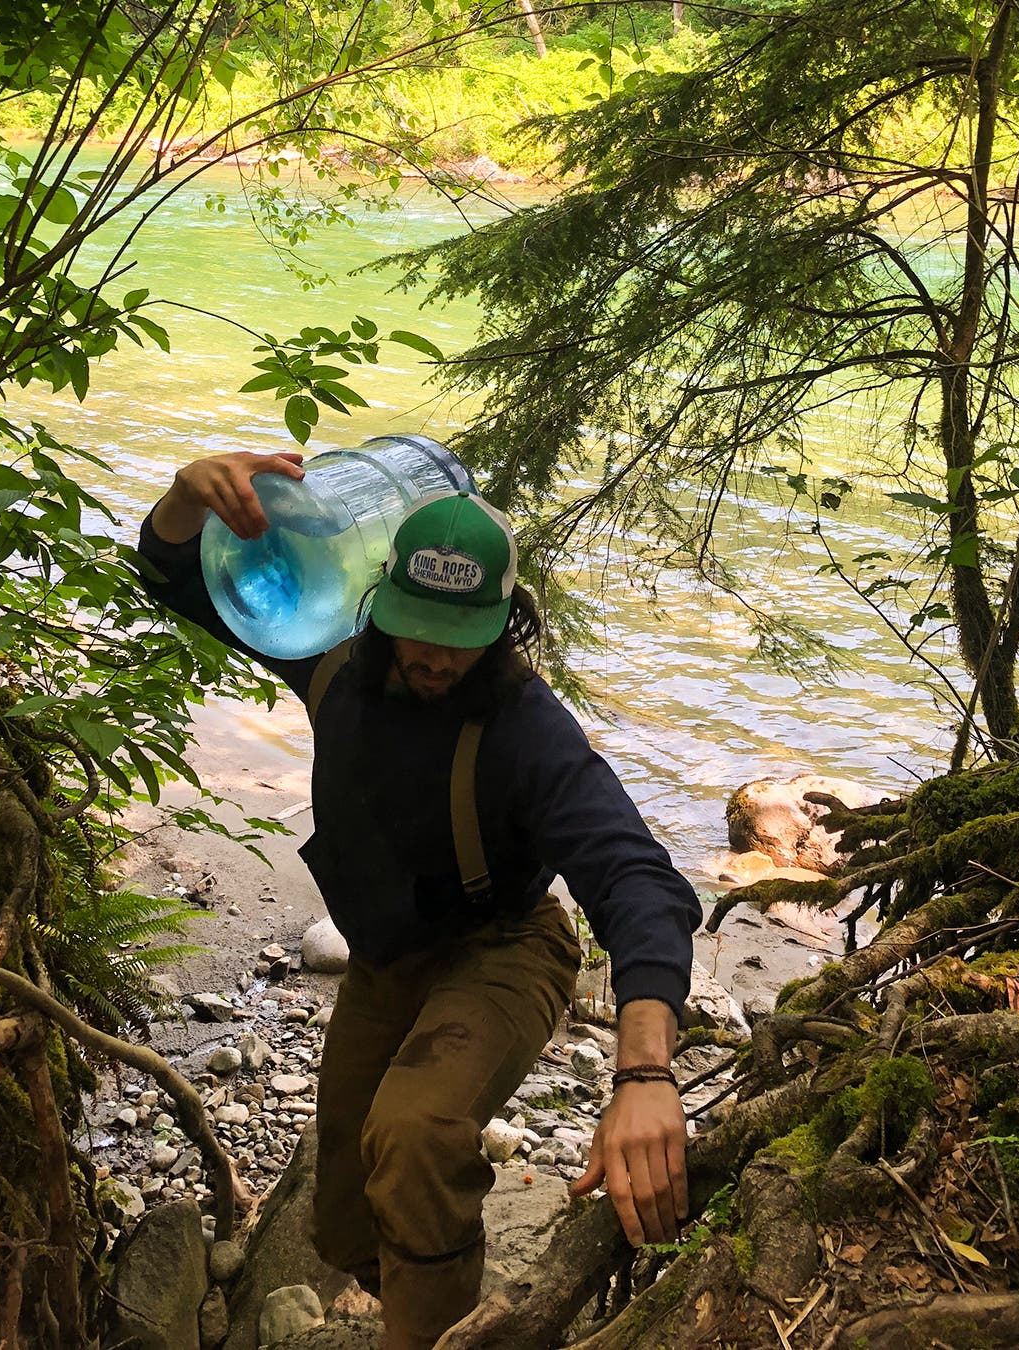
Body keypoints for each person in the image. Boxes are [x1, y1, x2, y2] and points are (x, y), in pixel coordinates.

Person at [137, 449, 701, 1350]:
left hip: (504, 946)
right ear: (378, 600)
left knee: (415, 1133)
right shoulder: (334, 666)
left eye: (460, 634)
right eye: (414, 625)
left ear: (505, 625)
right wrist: (184, 496)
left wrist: (642, 1073)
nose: (434, 656)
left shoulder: (528, 732)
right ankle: (442, 1302)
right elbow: (175, 578)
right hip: (388, 956)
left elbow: (638, 880)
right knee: (345, 1222)